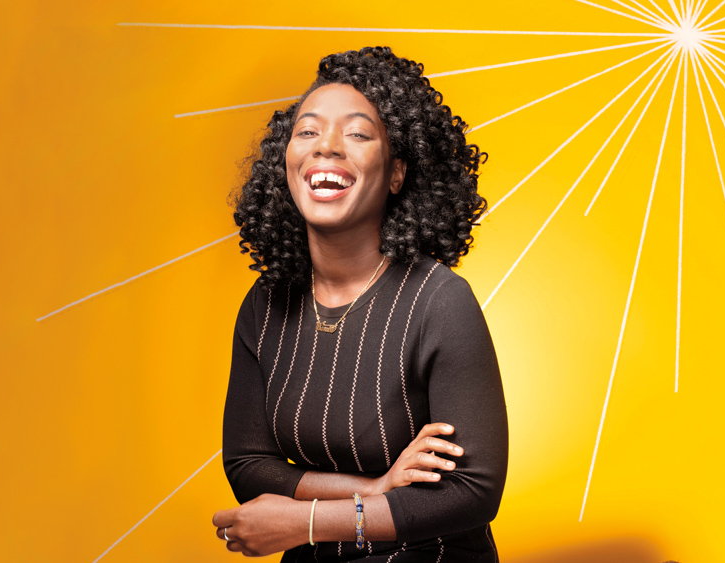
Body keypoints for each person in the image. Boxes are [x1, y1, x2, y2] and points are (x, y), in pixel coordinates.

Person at [212, 46, 509, 562]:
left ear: (396, 173)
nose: (326, 146)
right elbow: (248, 463)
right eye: (307, 131)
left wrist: (306, 521)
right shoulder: (265, 306)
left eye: (357, 133)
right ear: (285, 164)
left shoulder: (439, 301)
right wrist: (375, 490)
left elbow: (472, 491)